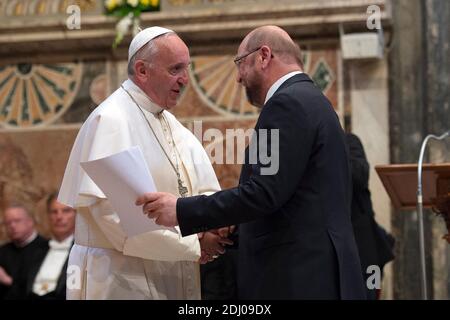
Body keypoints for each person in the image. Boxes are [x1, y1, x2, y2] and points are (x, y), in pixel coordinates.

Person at [137, 25, 367, 300]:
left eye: (240, 63)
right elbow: (295, 202)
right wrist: (231, 231)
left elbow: (263, 193)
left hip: (299, 278)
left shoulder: (286, 104)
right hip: (319, 272)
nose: (237, 78)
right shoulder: (314, 101)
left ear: (264, 56)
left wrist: (181, 209)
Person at [58, 26, 228, 300]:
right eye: (175, 69)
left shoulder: (172, 125)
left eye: (187, 69)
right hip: (122, 278)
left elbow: (202, 188)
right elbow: (114, 215)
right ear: (142, 70)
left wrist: (214, 226)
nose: (185, 80)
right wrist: (195, 243)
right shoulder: (111, 120)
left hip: (170, 270)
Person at [345, 133, 395, 300]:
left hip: (365, 251)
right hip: (330, 251)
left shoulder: (349, 141)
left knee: (369, 292)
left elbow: (359, 176)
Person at [23, 192, 76, 300]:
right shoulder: (35, 250)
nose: (59, 216)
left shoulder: (83, 252)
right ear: (48, 215)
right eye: (54, 212)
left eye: (66, 211)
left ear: (76, 214)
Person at [0, 204, 47, 299]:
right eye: (8, 223)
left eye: (17, 221)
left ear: (30, 221)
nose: (12, 226)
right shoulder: (2, 251)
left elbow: (41, 289)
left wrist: (8, 280)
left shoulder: (47, 249)